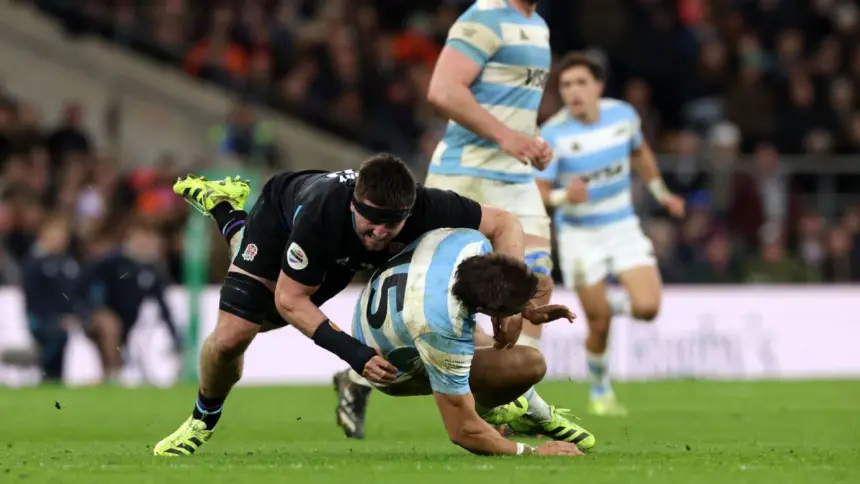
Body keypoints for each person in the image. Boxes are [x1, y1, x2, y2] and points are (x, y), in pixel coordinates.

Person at [154, 154, 531, 456]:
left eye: (392, 223)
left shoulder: (426, 206)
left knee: (266, 318)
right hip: (280, 221)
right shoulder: (322, 214)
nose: (380, 232)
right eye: (373, 220)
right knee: (234, 336)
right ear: (354, 204)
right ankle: (202, 418)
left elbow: (506, 224)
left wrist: (512, 304)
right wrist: (355, 353)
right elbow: (289, 299)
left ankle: (506, 404)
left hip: (338, 257)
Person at [351, 226, 595, 455]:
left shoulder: (470, 242)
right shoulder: (440, 330)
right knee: (527, 363)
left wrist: (526, 308)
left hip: (386, 306)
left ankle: (530, 412)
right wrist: (533, 452)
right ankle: (494, 409)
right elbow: (463, 431)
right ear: (485, 308)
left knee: (481, 342)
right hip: (388, 369)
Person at [534, 52, 685, 417]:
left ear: (598, 87)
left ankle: (607, 304)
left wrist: (663, 194)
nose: (573, 91)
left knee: (648, 308)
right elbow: (539, 191)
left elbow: (641, 154)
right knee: (598, 324)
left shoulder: (623, 116)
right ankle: (601, 391)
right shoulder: (552, 133)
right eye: (566, 85)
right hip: (579, 235)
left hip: (622, 227)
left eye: (581, 82)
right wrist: (562, 196)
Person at [424, 0, 555, 352]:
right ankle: (364, 373)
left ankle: (518, 381)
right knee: (440, 297)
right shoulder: (485, 16)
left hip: (517, 179)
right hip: (464, 175)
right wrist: (506, 136)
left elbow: (515, 104)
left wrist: (534, 140)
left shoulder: (539, 26)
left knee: (536, 281)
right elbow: (443, 90)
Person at [76, 219, 182, 384]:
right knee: (110, 326)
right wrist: (89, 310)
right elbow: (82, 285)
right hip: (101, 317)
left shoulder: (151, 271)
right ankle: (113, 374)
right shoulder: (111, 262)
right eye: (140, 237)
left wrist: (175, 336)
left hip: (129, 323)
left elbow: (163, 307)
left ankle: (109, 378)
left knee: (117, 336)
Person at [19, 216, 79, 383]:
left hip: (67, 318)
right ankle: (45, 373)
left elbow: (76, 294)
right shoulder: (32, 263)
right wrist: (57, 318)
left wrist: (76, 314)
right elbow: (32, 298)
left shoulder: (68, 263)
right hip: (39, 318)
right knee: (56, 335)